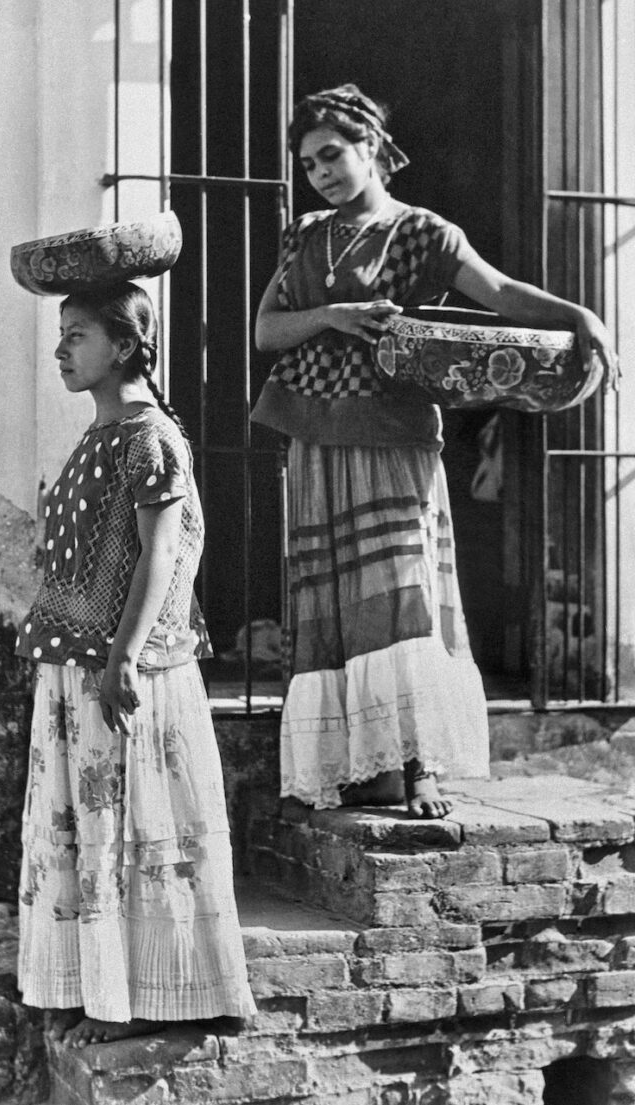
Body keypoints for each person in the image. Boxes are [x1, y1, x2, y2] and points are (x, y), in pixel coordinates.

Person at [253, 84, 618, 819]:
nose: (320, 172)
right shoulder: (304, 234)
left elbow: (501, 292)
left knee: (405, 593)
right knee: (333, 600)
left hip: (393, 433)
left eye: (332, 155)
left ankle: (421, 769)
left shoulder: (423, 233)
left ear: (373, 151)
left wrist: (580, 316)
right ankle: (360, 766)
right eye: (309, 163)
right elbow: (267, 330)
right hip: (316, 438)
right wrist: (333, 313)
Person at [15, 282, 256, 1047]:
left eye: (77, 333)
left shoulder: (150, 436)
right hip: (75, 663)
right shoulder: (100, 435)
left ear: (122, 344)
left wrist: (123, 654)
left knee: (135, 827)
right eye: (61, 333)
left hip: (124, 669)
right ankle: (95, 984)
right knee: (89, 829)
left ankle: (156, 996)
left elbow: (162, 555)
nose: (61, 349)